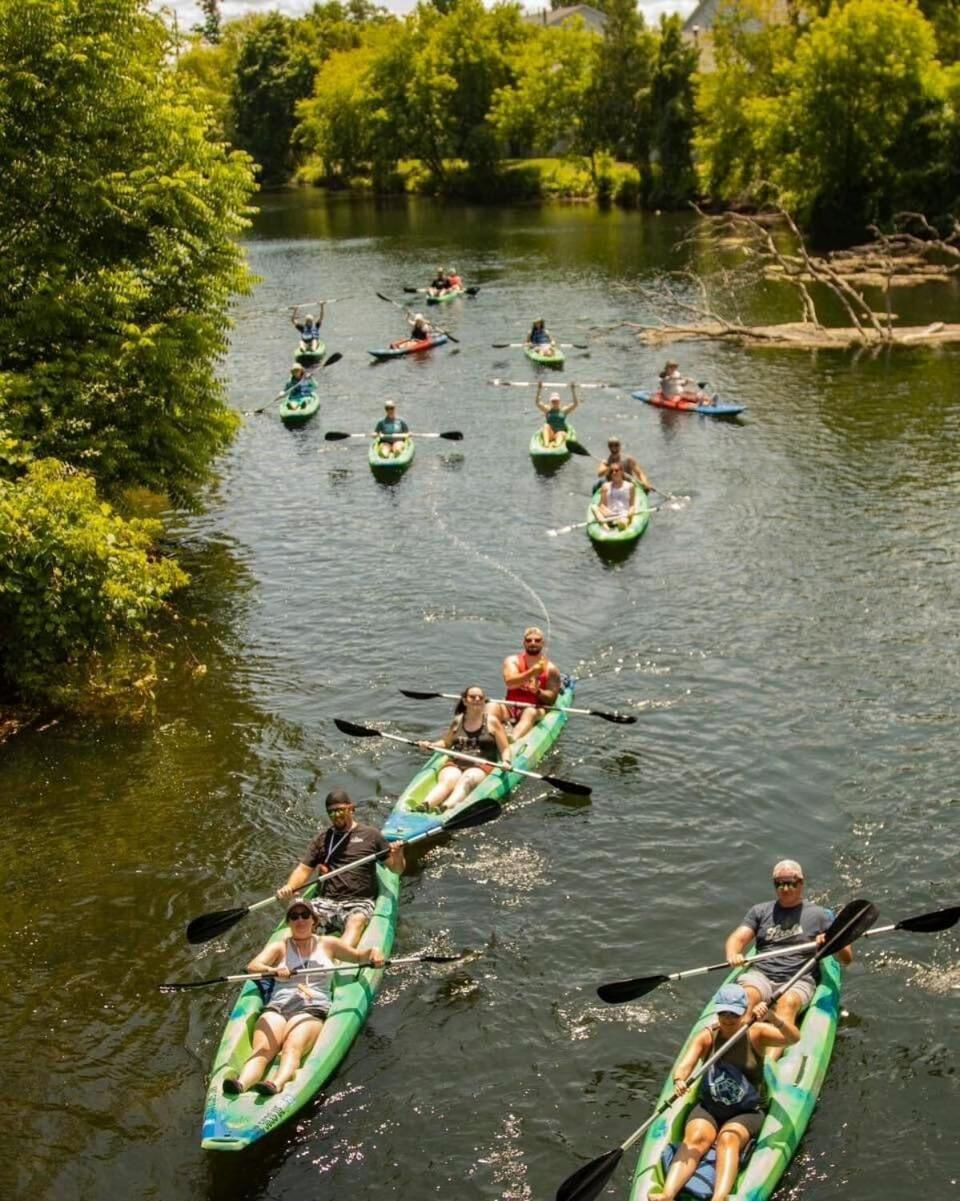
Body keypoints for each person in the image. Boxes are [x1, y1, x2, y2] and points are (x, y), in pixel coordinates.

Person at [648, 982, 799, 1201]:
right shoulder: (707, 1036)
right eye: (723, 1013)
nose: (728, 1019)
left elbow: (794, 1039)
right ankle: (668, 1195)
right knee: (696, 1138)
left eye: (734, 1014)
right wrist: (680, 1080)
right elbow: (685, 1065)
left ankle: (719, 1198)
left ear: (744, 1011)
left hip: (746, 1110)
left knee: (729, 1138)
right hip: (710, 1107)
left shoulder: (756, 1033)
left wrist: (774, 1019)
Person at [221, 896, 385, 1097]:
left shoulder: (328, 944)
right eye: (294, 916)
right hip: (279, 1005)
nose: (300, 920)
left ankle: (276, 1083)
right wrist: (274, 969)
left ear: (314, 920)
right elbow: (253, 966)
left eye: (305, 915)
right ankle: (241, 1083)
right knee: (263, 1048)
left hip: (312, 1006)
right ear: (289, 922)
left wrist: (374, 951)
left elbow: (358, 957)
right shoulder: (280, 946)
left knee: (292, 1046)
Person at [724, 859, 853, 1059]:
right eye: (779, 883)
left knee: (788, 1002)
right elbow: (738, 938)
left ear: (801, 883)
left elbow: (846, 959)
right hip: (762, 974)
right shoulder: (760, 911)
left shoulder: (820, 916)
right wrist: (733, 954)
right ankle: (739, 1052)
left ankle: (768, 1063)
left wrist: (831, 942)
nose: (785, 888)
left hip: (799, 977)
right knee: (748, 996)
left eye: (791, 883)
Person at [276, 789, 404, 947]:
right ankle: (289, 956)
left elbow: (396, 870)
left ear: (351, 808)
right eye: (331, 812)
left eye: (340, 810)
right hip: (326, 901)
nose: (336, 816)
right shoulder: (322, 839)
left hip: (358, 902)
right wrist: (290, 886)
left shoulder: (372, 835)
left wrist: (398, 855)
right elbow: (303, 869)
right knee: (301, 919)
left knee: (355, 922)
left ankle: (339, 960)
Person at [416, 685, 511, 812]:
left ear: (484, 701)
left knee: (467, 779)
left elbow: (505, 749)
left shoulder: (492, 722)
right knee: (449, 779)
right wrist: (431, 745)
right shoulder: (458, 721)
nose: (477, 699)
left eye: (480, 697)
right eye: (472, 697)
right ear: (465, 701)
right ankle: (425, 805)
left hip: (481, 765)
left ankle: (446, 808)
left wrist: (506, 762)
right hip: (457, 761)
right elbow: (446, 743)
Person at [490, 627, 563, 742]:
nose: (533, 643)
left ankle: (511, 739)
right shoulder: (512, 661)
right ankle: (485, 735)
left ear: (542, 643)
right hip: (510, 705)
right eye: (529, 640)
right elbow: (510, 682)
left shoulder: (551, 669)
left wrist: (538, 691)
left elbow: (552, 699)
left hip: (535, 708)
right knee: (491, 706)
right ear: (524, 643)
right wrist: (532, 672)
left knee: (529, 712)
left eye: (537, 640)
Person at [591, 462, 638, 530]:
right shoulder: (605, 486)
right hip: (610, 515)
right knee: (594, 508)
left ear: (621, 472)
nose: (614, 473)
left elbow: (632, 505)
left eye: (616, 470)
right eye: (611, 471)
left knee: (622, 523)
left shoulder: (630, 486)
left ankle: (622, 528)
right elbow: (601, 505)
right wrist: (607, 512)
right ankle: (606, 527)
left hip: (623, 515)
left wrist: (629, 514)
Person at [535, 382, 579, 448]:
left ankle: (557, 446)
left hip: (560, 433)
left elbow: (575, 404)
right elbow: (537, 403)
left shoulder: (564, 410)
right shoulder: (547, 410)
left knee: (560, 433)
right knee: (546, 426)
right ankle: (546, 445)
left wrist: (573, 390)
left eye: (556, 401)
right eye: (553, 401)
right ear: (550, 402)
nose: (555, 402)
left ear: (559, 401)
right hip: (551, 434)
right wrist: (539, 389)